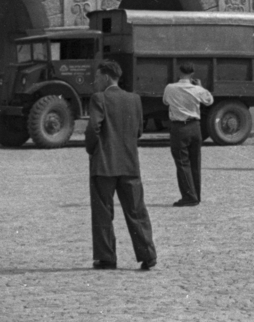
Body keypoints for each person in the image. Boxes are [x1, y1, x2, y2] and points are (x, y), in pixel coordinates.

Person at [85, 59, 157, 270]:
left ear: (106, 77)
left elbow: (92, 130)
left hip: (104, 165)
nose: (95, 81)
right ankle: (148, 254)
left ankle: (106, 257)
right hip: (129, 164)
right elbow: (139, 132)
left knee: (103, 212)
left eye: (97, 77)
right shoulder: (134, 99)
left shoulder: (99, 98)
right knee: (136, 211)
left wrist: (93, 151)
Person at [162, 62, 213, 206]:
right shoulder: (197, 89)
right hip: (195, 127)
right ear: (193, 73)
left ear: (179, 72)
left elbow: (165, 102)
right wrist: (201, 87)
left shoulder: (170, 88)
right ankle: (196, 194)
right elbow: (209, 101)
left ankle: (189, 196)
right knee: (195, 162)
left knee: (182, 163)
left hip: (179, 127)